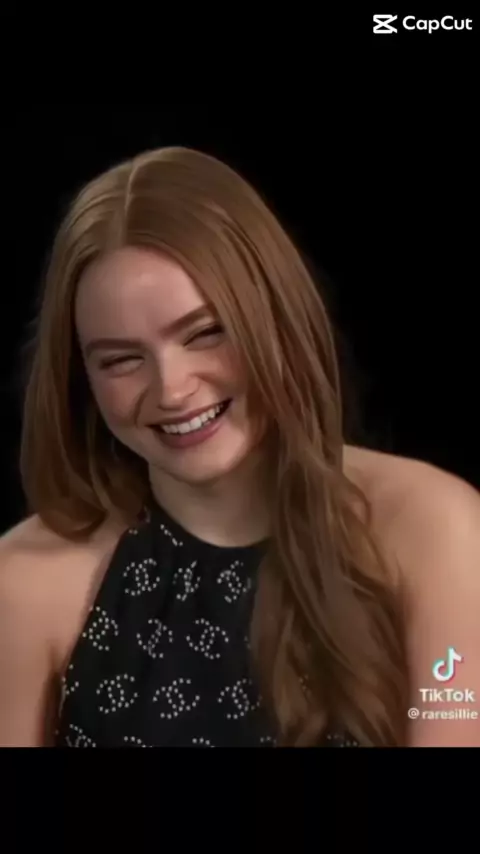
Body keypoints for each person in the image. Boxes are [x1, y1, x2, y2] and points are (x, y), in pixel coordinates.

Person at [0, 146, 479, 748]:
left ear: (275, 317)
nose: (172, 390)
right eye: (121, 360)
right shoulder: (22, 585)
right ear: (81, 378)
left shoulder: (435, 528)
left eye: (205, 333)